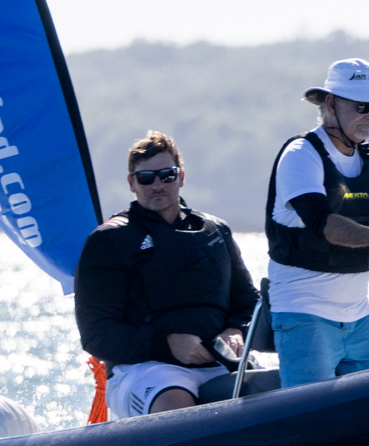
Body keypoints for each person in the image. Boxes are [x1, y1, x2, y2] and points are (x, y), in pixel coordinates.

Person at [263, 58, 369, 386]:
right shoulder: (300, 155)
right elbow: (325, 225)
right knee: (311, 416)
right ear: (331, 103)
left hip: (360, 316)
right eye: (363, 106)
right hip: (303, 314)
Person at [76, 131, 257, 417]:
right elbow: (96, 335)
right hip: (146, 370)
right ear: (132, 183)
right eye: (146, 178)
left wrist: (237, 330)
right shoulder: (107, 241)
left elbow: (249, 303)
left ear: (181, 177)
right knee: (175, 403)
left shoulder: (216, 231)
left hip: (220, 363)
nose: (157, 185)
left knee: (275, 388)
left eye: (167, 175)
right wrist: (167, 344)